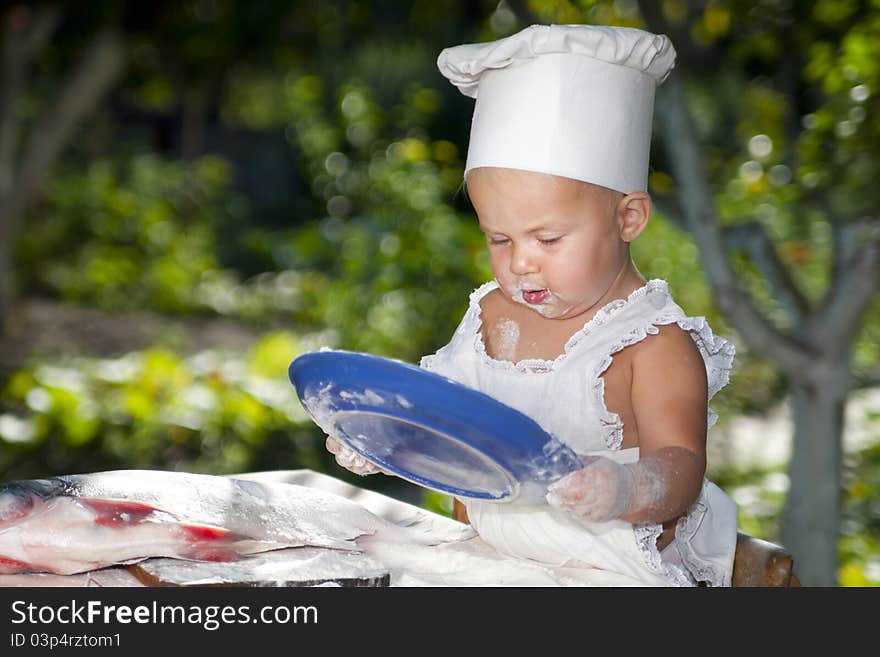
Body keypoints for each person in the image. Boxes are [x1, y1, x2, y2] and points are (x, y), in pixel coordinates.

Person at [326, 23, 738, 586]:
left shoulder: (654, 346)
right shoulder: (495, 315)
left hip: (606, 576)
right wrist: (384, 434)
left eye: (547, 240)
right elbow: (441, 414)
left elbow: (682, 470)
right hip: (487, 559)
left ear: (628, 219)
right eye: (500, 239)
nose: (521, 263)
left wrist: (625, 488)